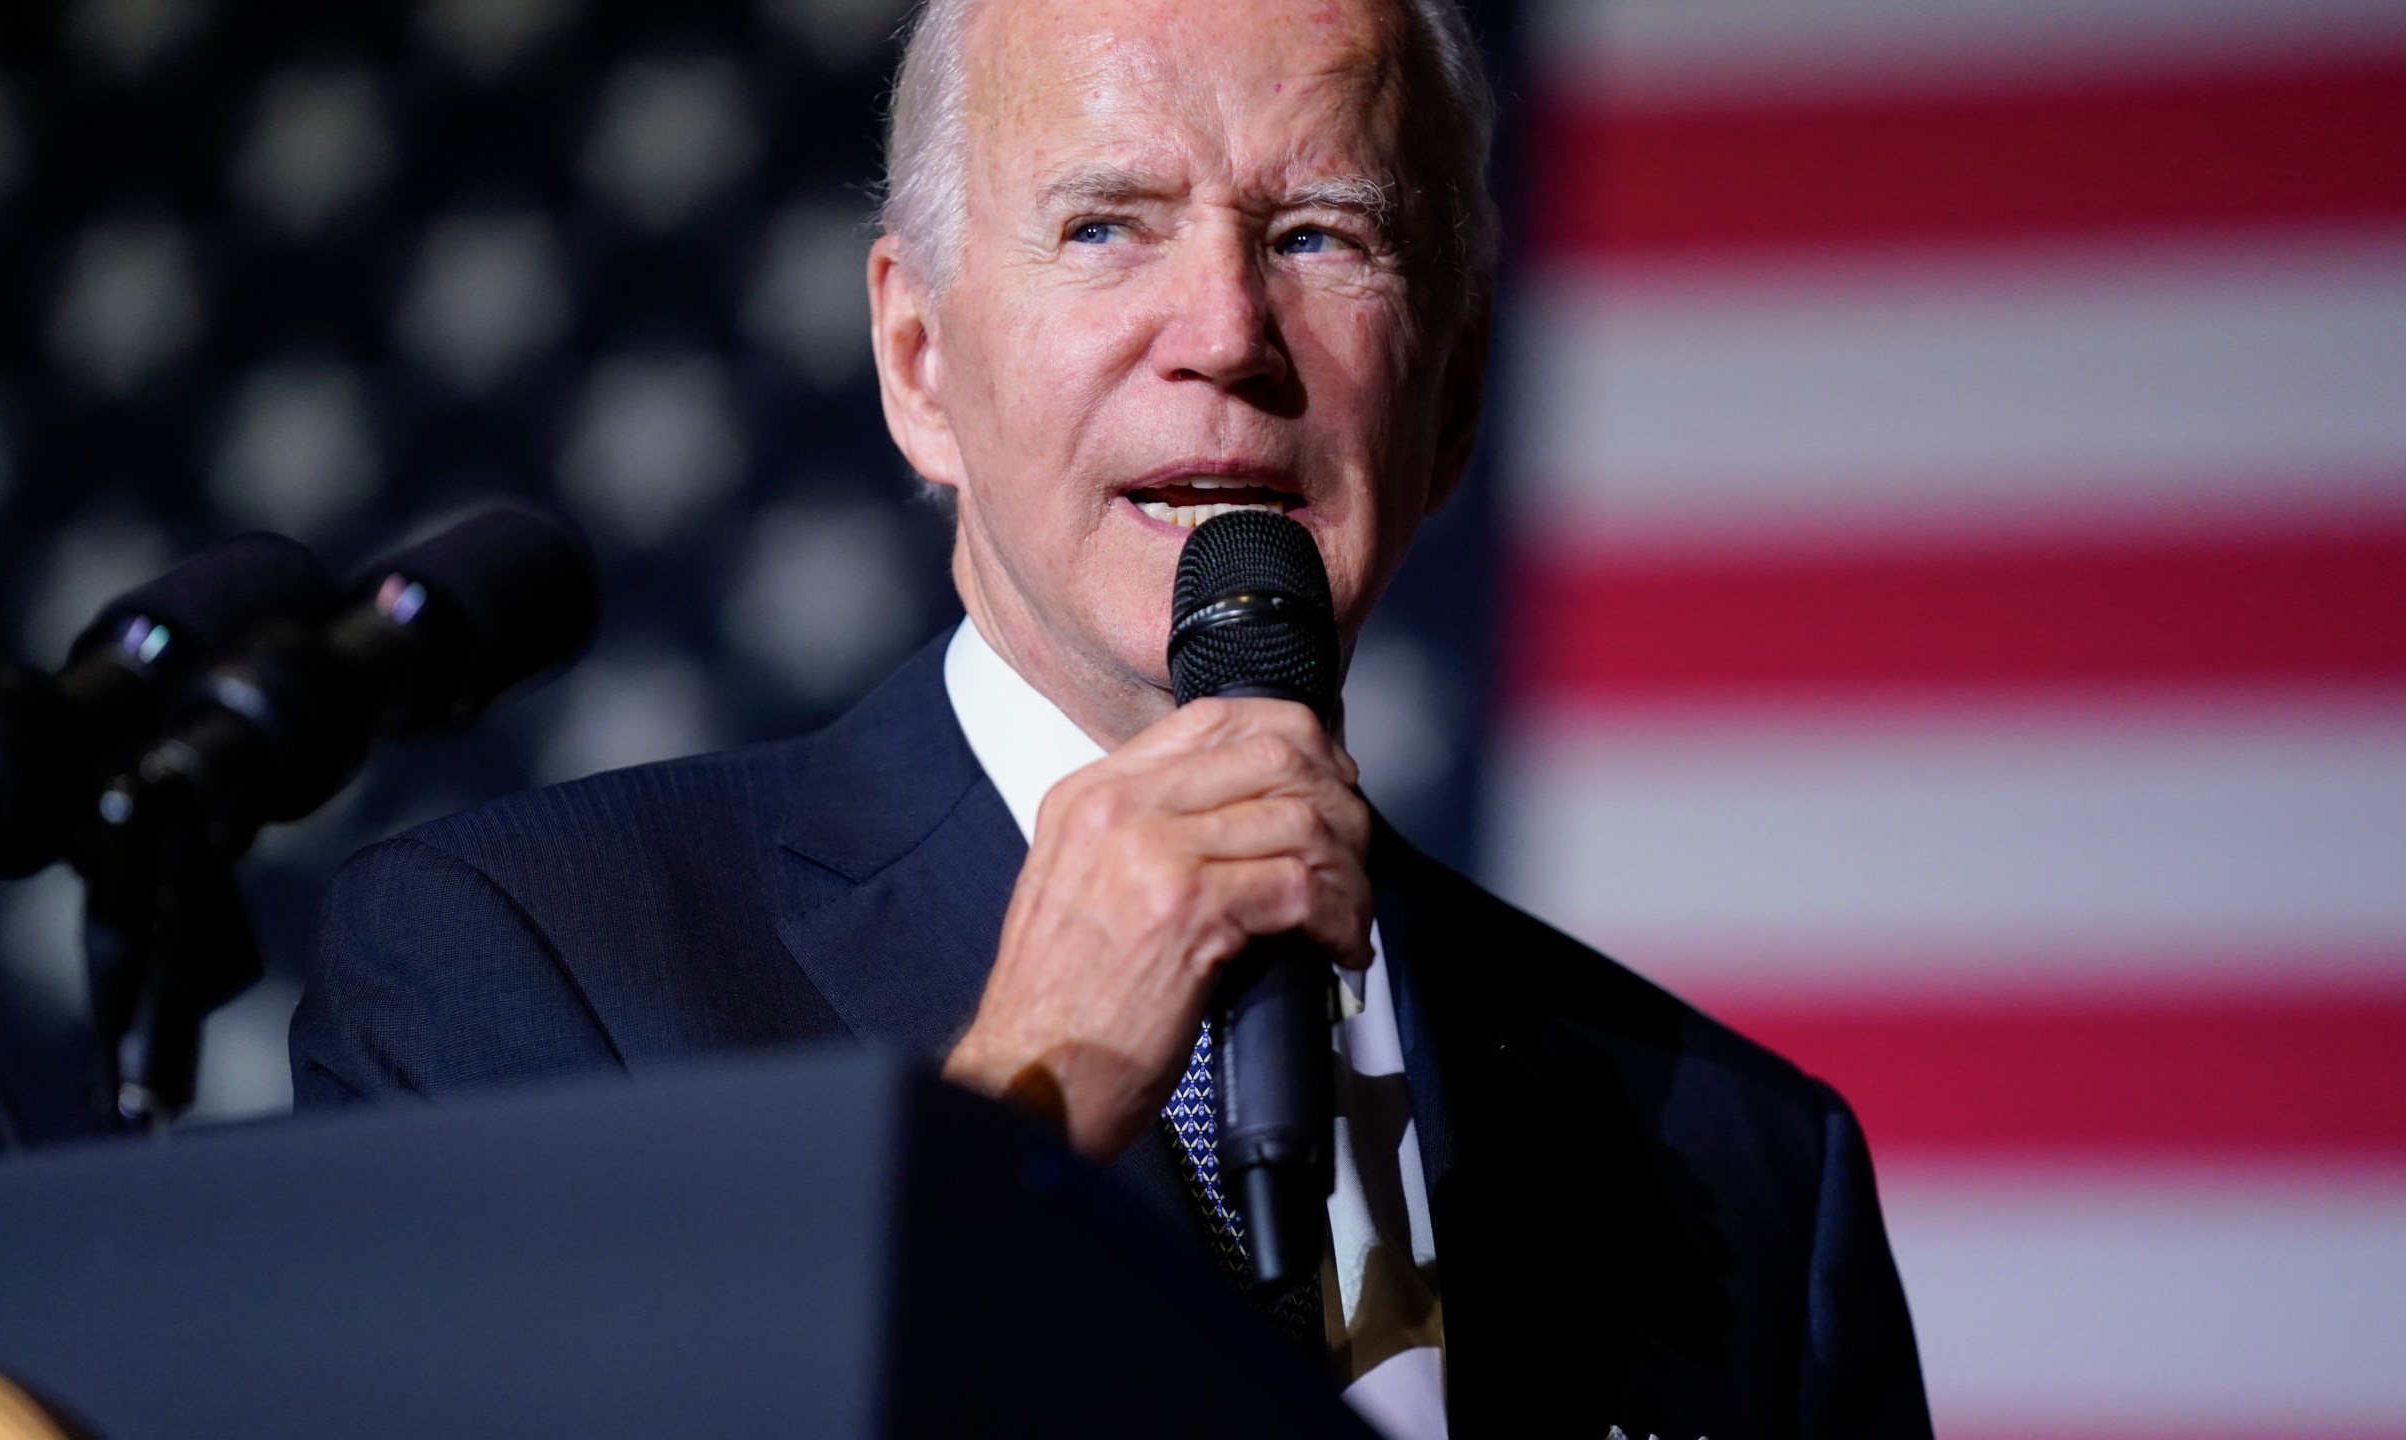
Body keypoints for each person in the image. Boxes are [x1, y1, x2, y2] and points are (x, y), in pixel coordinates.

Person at [292, 0, 1932, 1434]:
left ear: (1453, 401)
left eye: (1321, 236)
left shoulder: (1746, 1170)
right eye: (1105, 228)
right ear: (918, 359)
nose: (1225, 334)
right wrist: (1018, 1108)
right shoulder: (519, 971)